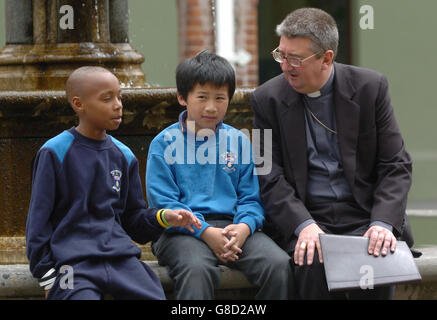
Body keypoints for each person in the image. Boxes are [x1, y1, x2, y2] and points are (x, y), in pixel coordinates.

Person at [250, 8, 414, 299]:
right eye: (281, 54)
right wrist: (304, 225)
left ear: (326, 58)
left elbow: (396, 164)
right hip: (309, 218)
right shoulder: (265, 100)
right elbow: (267, 172)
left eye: (296, 58)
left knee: (377, 255)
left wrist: (382, 224)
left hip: (365, 216)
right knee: (311, 258)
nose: (285, 66)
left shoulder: (371, 88)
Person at [25, 66, 201, 300]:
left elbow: (133, 220)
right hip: (72, 266)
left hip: (121, 261)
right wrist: (47, 274)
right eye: (107, 99)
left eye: (119, 96)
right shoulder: (54, 152)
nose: (118, 104)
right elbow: (38, 222)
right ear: (79, 104)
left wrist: (163, 217)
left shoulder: (124, 155)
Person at [146, 51, 295, 300]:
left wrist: (245, 227)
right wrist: (204, 231)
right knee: (196, 270)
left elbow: (252, 197)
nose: (211, 107)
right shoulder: (164, 143)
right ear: (182, 98)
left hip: (234, 227)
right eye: (202, 97)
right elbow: (164, 203)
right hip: (181, 232)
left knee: (278, 265)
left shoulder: (238, 141)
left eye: (220, 98)